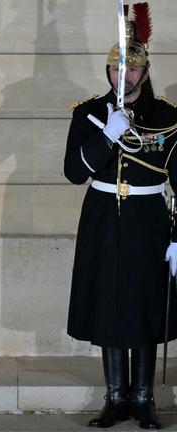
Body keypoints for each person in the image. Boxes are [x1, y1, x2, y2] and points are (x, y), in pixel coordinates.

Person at [64, 5, 177, 429]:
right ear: (107, 71)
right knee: (109, 304)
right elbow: (75, 172)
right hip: (102, 218)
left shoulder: (169, 118)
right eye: (117, 69)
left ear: (145, 73)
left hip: (148, 220)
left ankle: (143, 398)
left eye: (132, 70)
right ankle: (115, 398)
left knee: (144, 305)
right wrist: (107, 135)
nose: (123, 77)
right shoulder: (88, 114)